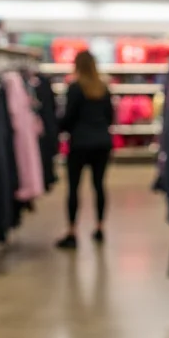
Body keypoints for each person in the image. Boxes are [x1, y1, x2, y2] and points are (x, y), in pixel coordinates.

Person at [56, 51, 113, 249]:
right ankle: (100, 227)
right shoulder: (103, 88)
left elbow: (68, 118)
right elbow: (110, 116)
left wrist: (57, 127)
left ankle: (72, 231)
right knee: (99, 185)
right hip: (102, 142)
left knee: (74, 187)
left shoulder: (74, 88)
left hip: (79, 143)